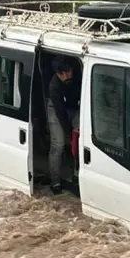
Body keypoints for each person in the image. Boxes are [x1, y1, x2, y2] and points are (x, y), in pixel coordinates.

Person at [47, 57, 80, 194]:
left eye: (68, 72)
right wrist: (68, 132)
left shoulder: (78, 74)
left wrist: (75, 132)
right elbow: (60, 113)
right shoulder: (54, 87)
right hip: (56, 109)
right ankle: (55, 182)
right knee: (58, 145)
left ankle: (77, 175)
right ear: (57, 74)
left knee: (81, 141)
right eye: (63, 74)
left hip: (75, 106)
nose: (66, 76)